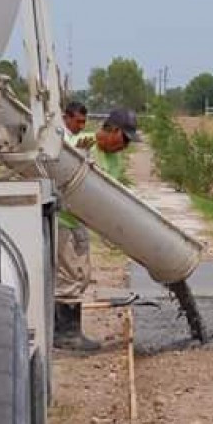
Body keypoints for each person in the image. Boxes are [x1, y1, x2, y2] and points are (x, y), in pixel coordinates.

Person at [53, 107, 138, 351]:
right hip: (65, 220)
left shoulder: (115, 158)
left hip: (80, 222)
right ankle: (65, 334)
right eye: (125, 139)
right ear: (112, 131)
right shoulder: (81, 145)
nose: (126, 146)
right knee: (71, 274)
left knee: (79, 274)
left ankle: (61, 328)